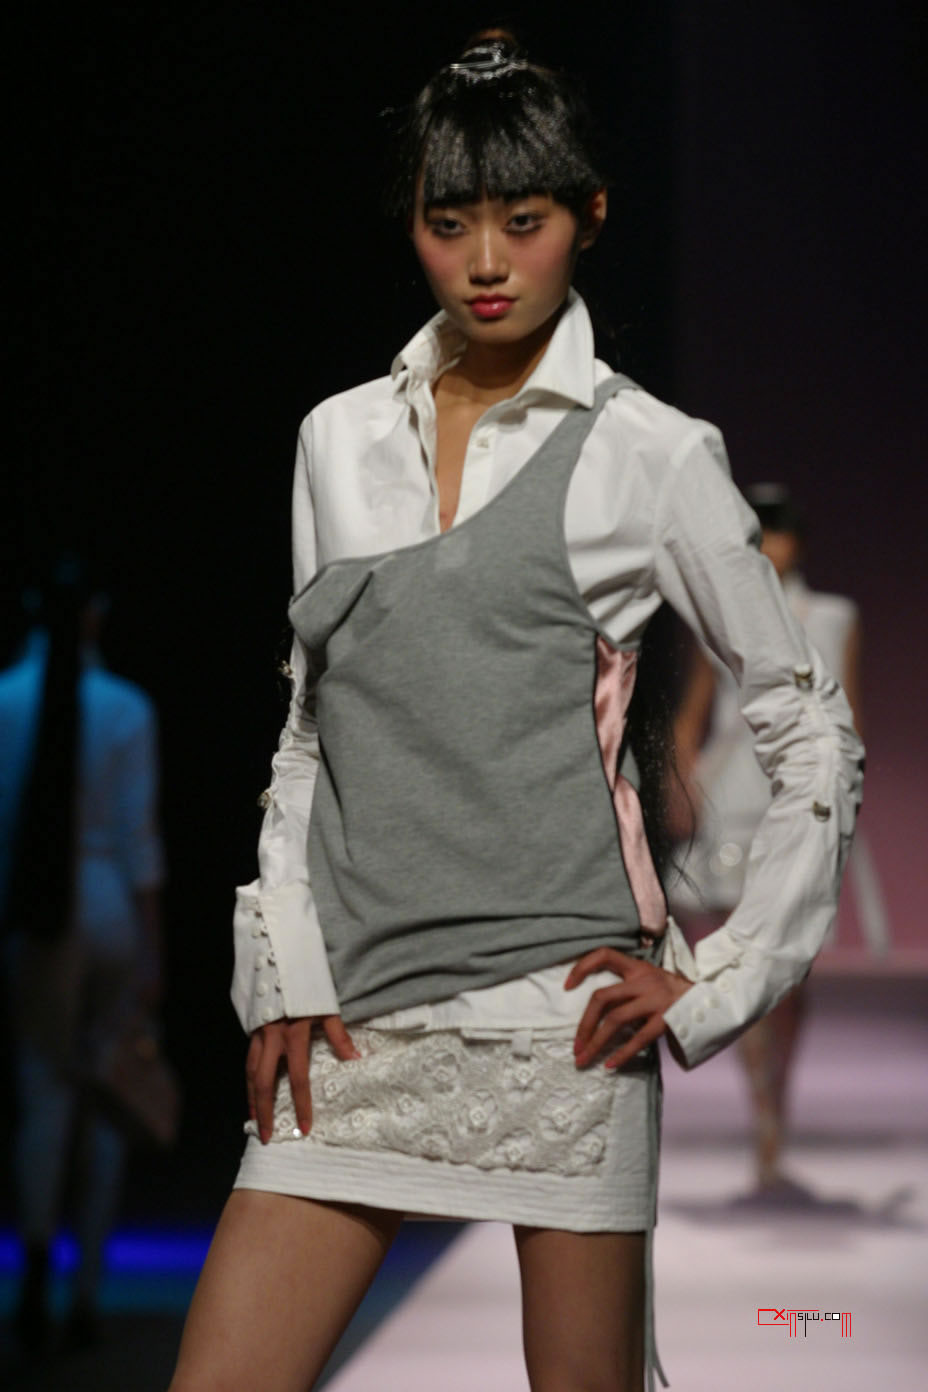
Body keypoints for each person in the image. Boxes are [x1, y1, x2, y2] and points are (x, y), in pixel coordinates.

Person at [168, 32, 863, 1392]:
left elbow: (807, 727)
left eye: (523, 222)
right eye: (449, 224)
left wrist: (720, 981)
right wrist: (282, 976)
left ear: (588, 217)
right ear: (412, 226)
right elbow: (312, 732)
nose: (486, 262)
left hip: (562, 1025)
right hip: (354, 1025)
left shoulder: (652, 453)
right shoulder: (335, 439)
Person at [669, 484, 884, 1195]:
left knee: (791, 966)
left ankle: (776, 1111)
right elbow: (695, 711)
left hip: (800, 796)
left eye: (782, 529)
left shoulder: (834, 615)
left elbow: (849, 711)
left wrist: (846, 795)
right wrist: (683, 782)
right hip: (733, 796)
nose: (773, 542)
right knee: (745, 956)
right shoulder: (716, 615)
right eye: (762, 529)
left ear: (799, 540)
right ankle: (764, 1117)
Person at [0, 558, 166, 1349]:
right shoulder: (125, 706)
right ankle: (87, 1288)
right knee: (106, 1092)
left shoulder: (5, 701)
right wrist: (154, 948)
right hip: (107, 906)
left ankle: (37, 1263)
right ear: (95, 614)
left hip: (36, 915)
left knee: (44, 1093)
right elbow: (140, 839)